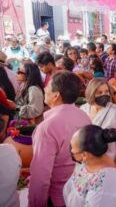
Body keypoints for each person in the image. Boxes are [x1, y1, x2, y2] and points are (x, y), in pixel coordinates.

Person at [29, 71, 92, 207]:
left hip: (58, 197)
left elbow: (41, 176)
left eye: (48, 87)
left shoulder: (47, 127)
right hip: (81, 190)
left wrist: (36, 204)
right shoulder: (84, 116)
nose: (45, 88)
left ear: (56, 95)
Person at [80, 79, 116, 207]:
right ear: (91, 94)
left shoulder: (115, 112)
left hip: (111, 160)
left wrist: (115, 166)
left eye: (106, 91)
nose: (104, 95)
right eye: (99, 92)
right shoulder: (83, 109)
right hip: (88, 163)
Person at [64, 125, 116, 207]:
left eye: (72, 150)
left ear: (84, 155)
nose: (71, 151)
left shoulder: (105, 187)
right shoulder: (88, 162)